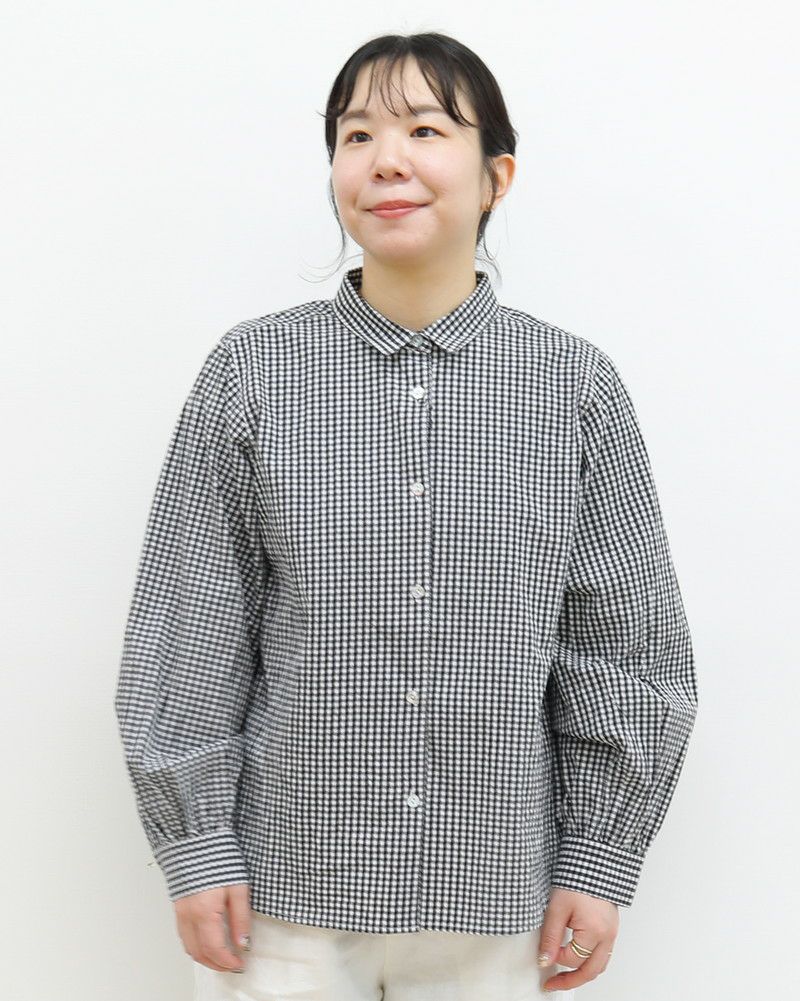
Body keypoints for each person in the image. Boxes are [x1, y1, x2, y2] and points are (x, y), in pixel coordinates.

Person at [114, 31, 699, 1001]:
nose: (385, 159)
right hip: (286, 894)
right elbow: (192, 620)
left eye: (425, 129)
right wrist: (195, 838)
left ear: (495, 175)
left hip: (498, 897)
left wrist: (600, 854)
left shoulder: (572, 386)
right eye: (356, 135)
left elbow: (622, 641)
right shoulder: (252, 372)